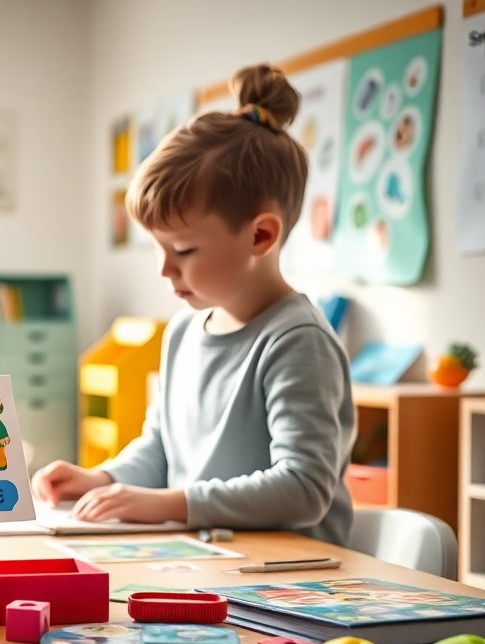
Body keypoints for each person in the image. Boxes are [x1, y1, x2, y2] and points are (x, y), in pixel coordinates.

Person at [31, 64, 355, 546]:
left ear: (261, 236)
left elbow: (304, 487)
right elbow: (161, 449)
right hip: (206, 563)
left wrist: (172, 503)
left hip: (295, 581)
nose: (165, 271)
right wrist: (103, 480)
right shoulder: (183, 333)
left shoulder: (297, 341)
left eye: (182, 251)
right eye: (158, 250)